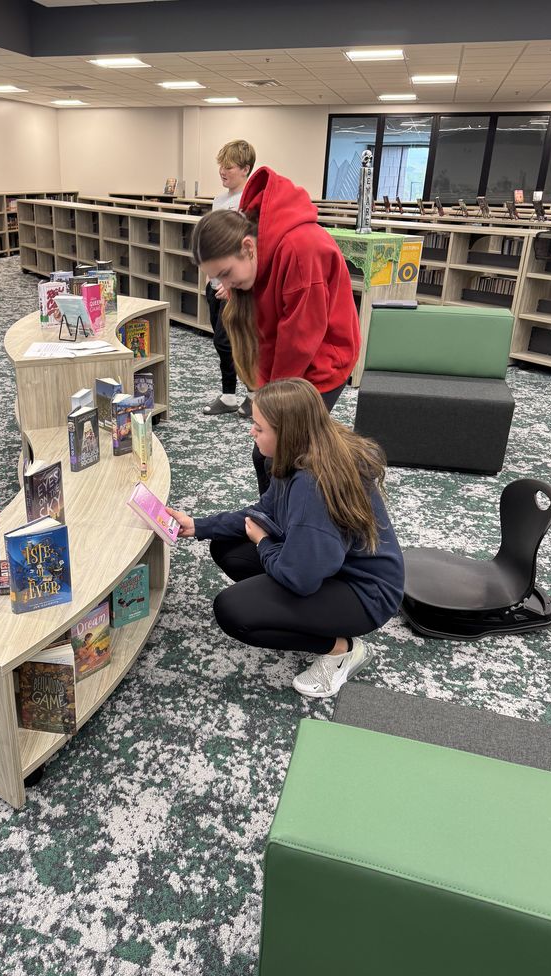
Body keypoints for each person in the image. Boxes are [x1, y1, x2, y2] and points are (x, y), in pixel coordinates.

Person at [167, 378, 404, 699]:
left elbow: (299, 578)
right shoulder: (304, 452)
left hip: (365, 594)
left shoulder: (313, 486)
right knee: (228, 545)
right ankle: (309, 620)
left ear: (287, 433)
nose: (252, 432)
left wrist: (265, 544)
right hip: (330, 565)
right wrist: (198, 525)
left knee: (234, 611)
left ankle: (341, 650)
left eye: (259, 427)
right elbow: (265, 511)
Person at [192, 166, 361, 493]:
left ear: (247, 248)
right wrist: (263, 392)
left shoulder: (300, 249)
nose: (225, 286)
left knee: (285, 458)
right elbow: (272, 333)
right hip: (290, 352)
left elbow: (300, 340)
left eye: (226, 273)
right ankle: (277, 520)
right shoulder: (260, 250)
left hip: (325, 360)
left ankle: (296, 526)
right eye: (218, 278)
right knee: (267, 456)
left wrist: (269, 401)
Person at [203, 140, 256, 418]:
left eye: (229, 167)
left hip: (232, 287)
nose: (222, 171)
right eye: (220, 165)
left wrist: (232, 284)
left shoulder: (248, 201)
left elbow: (247, 248)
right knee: (221, 342)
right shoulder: (220, 200)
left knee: (235, 341)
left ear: (246, 168)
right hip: (214, 283)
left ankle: (252, 395)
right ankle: (229, 395)